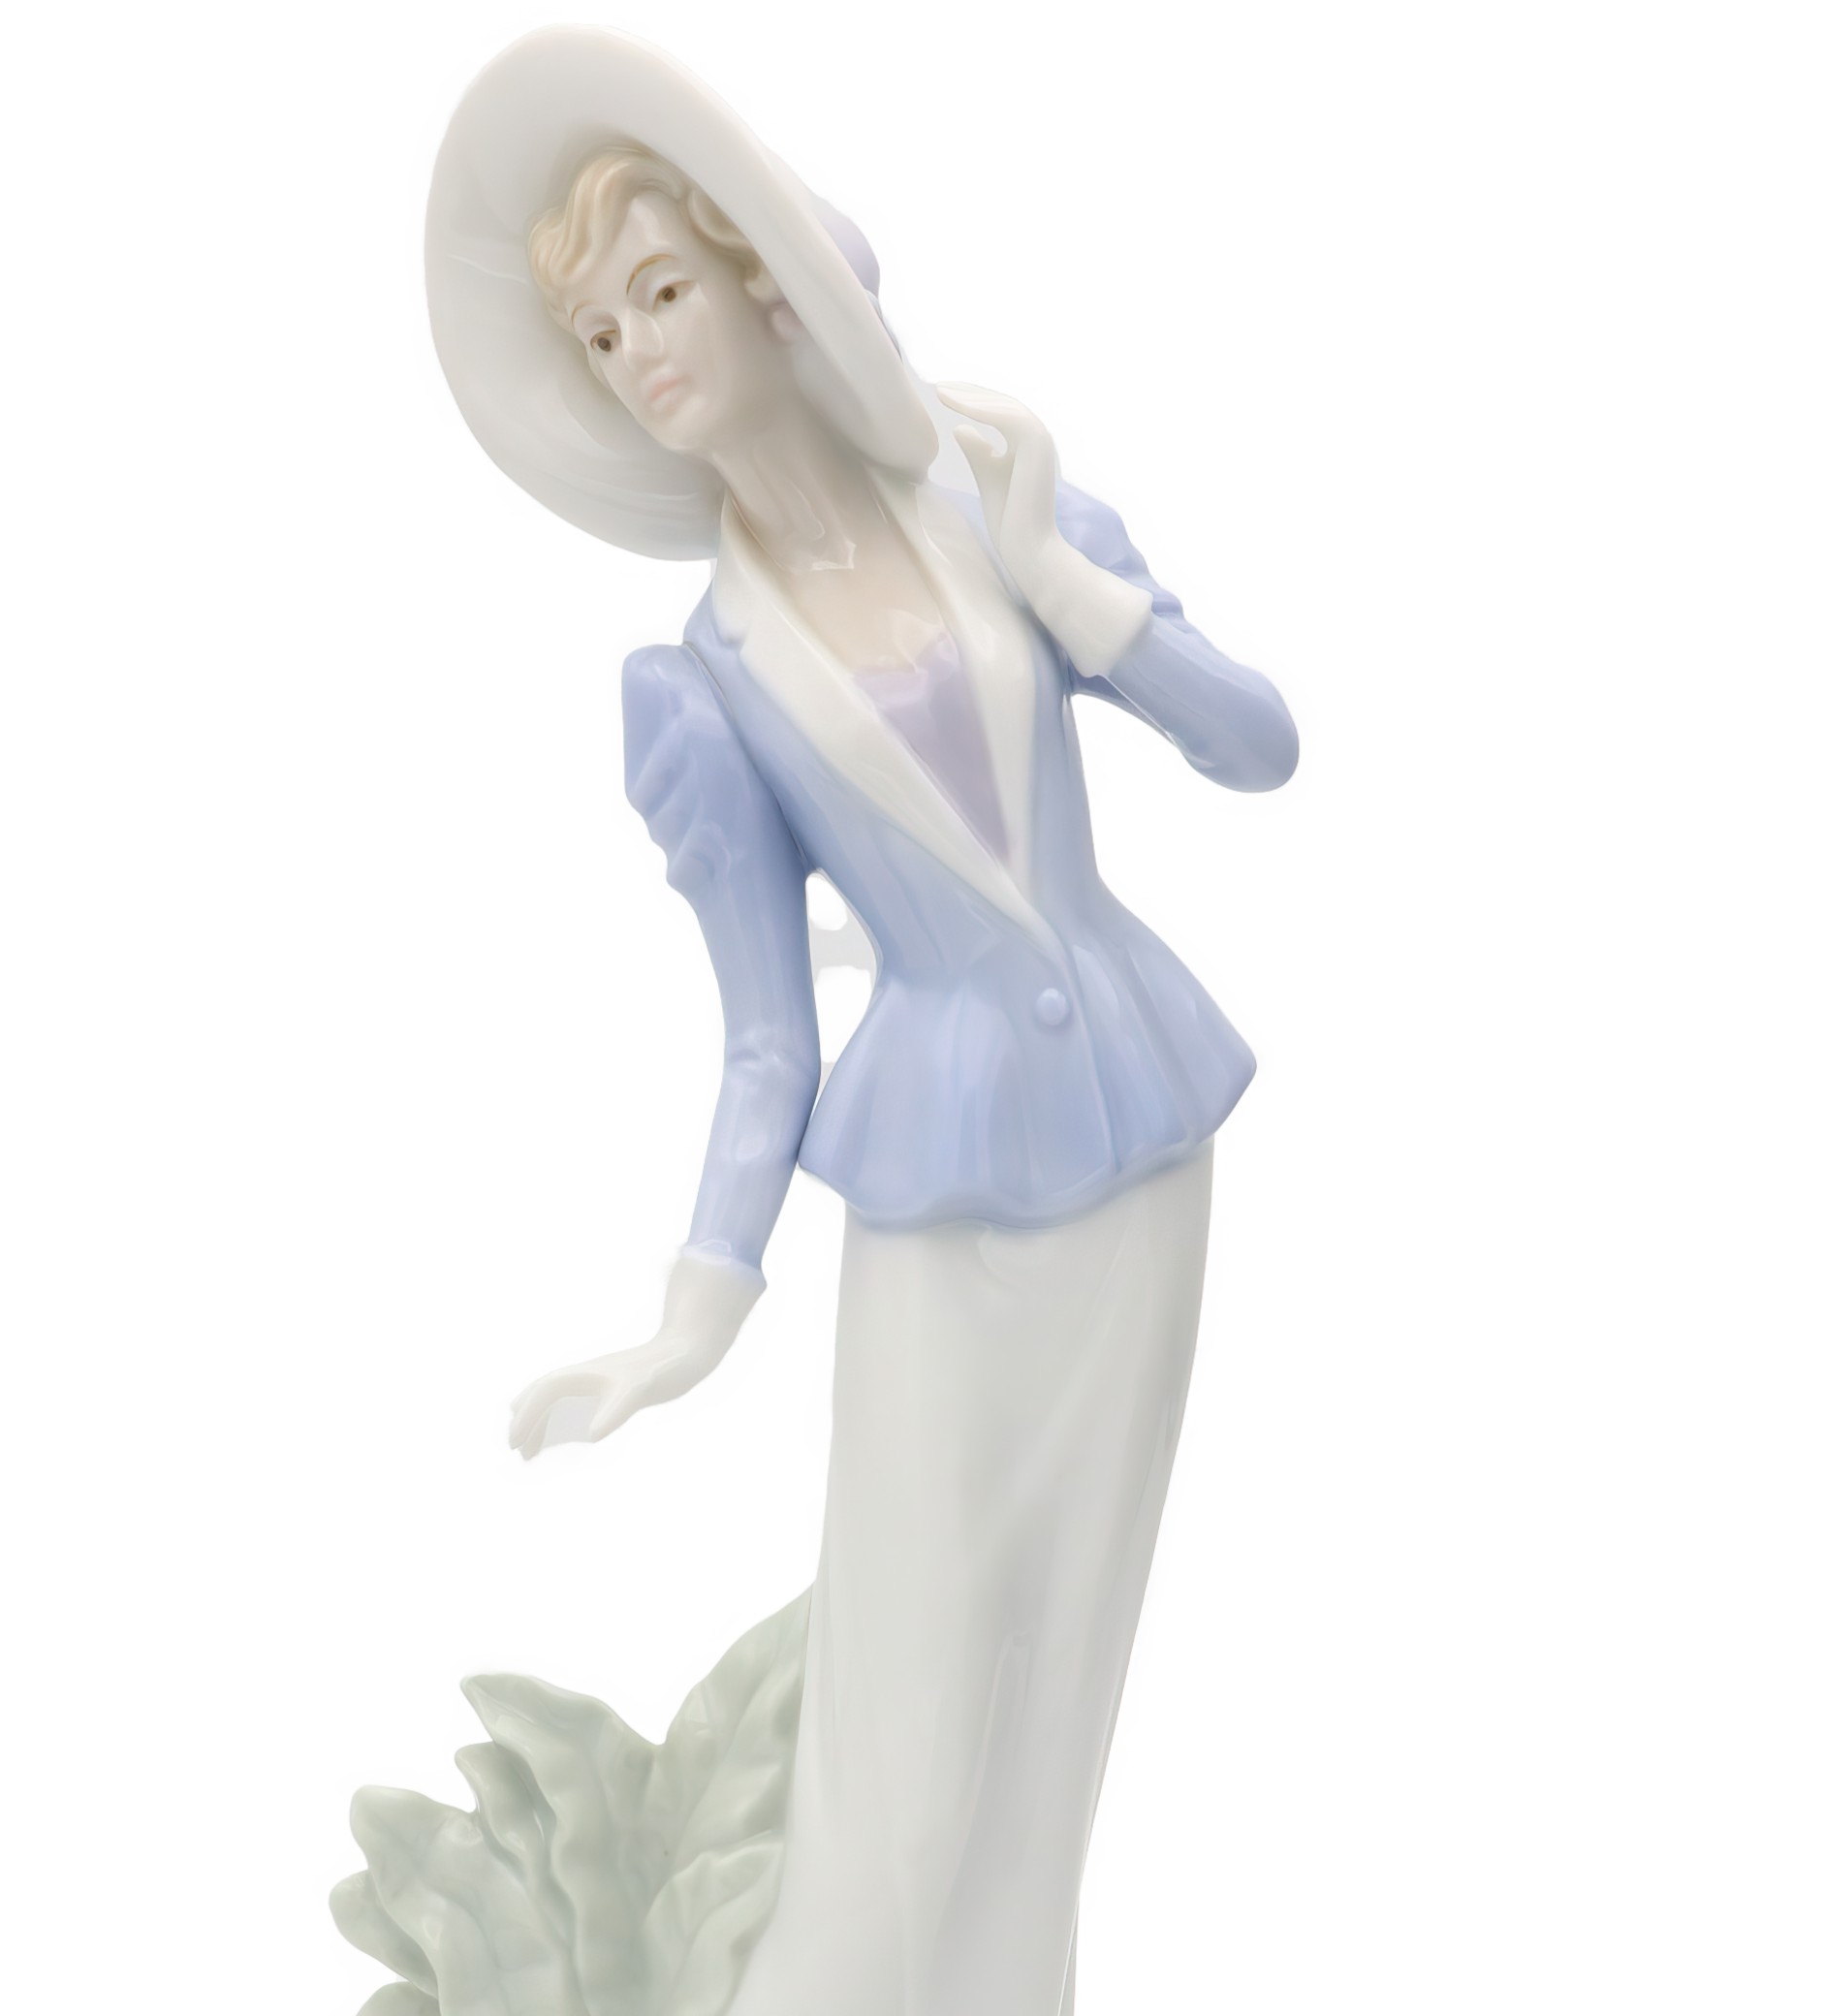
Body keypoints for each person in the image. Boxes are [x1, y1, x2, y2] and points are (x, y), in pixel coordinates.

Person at [334, 28, 1297, 2016]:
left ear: (763, 283)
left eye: (657, 291)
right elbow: (766, 1034)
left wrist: (1065, 585)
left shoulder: (994, 509)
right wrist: (693, 1311)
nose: (635, 351)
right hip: (935, 1181)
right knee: (907, 1701)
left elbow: (1259, 746)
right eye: (599, 335)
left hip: (1142, 1149)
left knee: (1062, 1690)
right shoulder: (701, 686)